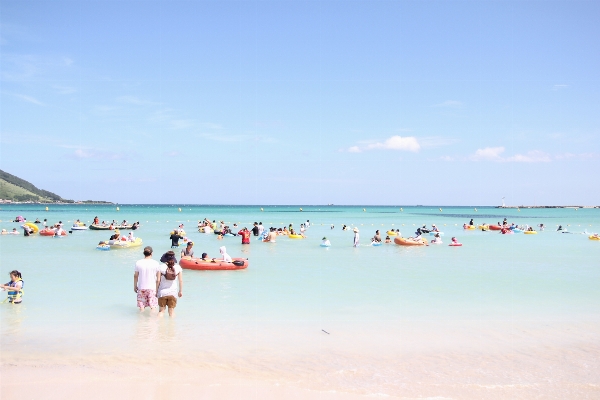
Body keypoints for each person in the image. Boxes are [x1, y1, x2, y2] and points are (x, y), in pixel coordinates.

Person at [134, 246, 160, 312]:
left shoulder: (138, 263)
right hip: (152, 288)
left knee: (141, 307)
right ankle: (152, 321)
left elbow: (136, 276)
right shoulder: (156, 263)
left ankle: (141, 321)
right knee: (153, 307)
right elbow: (158, 279)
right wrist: (157, 289)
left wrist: (135, 286)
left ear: (144, 253)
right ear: (152, 253)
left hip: (141, 287)